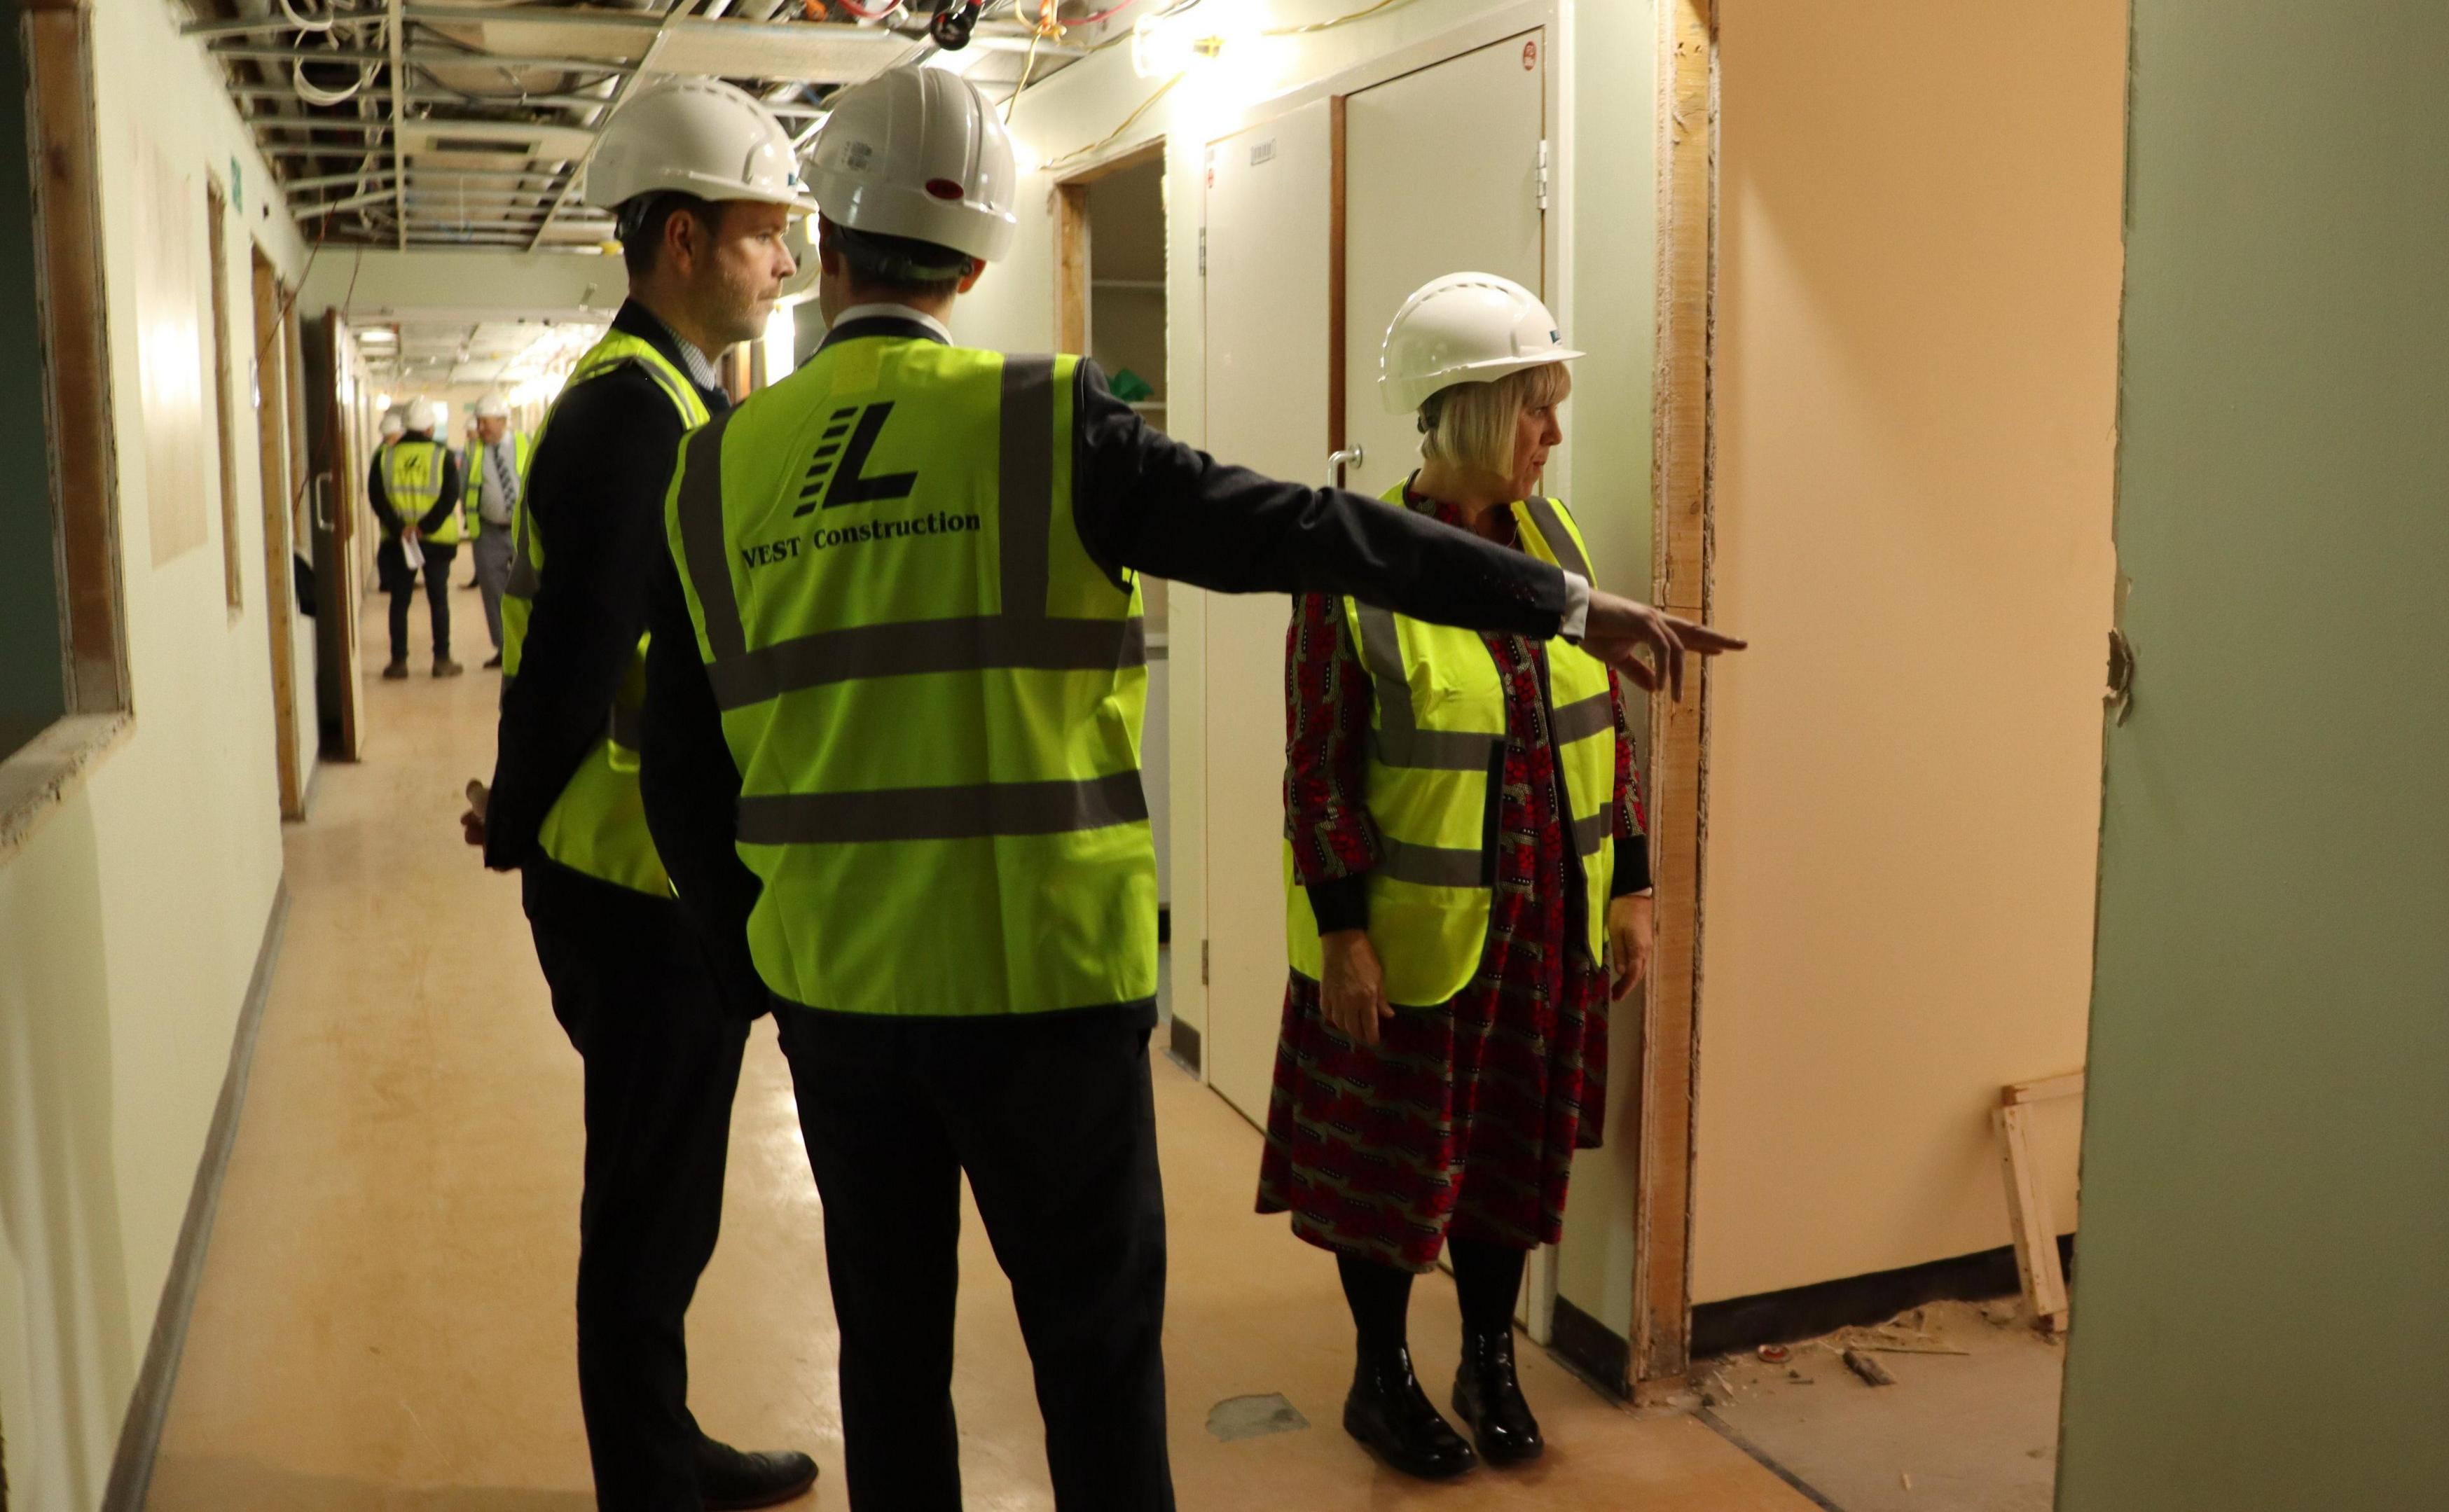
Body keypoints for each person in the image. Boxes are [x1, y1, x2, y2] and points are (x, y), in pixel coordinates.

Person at [637, 66, 1741, 1512]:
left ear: (826, 255)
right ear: (979, 259)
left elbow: (675, 764)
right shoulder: (1051, 422)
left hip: (842, 999)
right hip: (1050, 997)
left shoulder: (714, 467)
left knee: (888, 1356)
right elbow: (1318, 533)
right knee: (1095, 1360)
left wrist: (754, 973)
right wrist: (1558, 599)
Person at [462, 77, 819, 1512]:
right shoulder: (633, 419)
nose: (784, 260)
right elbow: (579, 656)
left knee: (664, 1199)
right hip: (629, 877)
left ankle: (662, 1446)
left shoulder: (659, 398)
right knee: (647, 1205)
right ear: (682, 238)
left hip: (635, 865)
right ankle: (649, 1474)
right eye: (762, 233)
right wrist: (523, 820)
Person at [1255, 272, 1649, 1480]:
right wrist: (1343, 934)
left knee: (1508, 1160)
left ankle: (1489, 1352)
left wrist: (1630, 883)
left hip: (1543, 926)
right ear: (1473, 412)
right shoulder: (1355, 564)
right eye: (1539, 409)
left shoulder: (1559, 541)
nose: (1556, 436)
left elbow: (1607, 727)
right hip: (1414, 937)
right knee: (1389, 1171)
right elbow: (1316, 769)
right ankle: (1381, 1374)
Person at [369, 398, 464, 679]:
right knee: (438, 599)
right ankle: (442, 660)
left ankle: (399, 662)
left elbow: (377, 497)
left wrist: (402, 527)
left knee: (400, 601)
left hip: (399, 541)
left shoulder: (384, 457)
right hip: (436, 540)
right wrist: (425, 526)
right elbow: (450, 497)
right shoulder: (443, 456)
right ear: (430, 428)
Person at [466, 391, 530, 668]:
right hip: (488, 532)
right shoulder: (473, 450)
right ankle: (504, 649)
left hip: (522, 529)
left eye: (486, 423)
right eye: (478, 423)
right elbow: (464, 489)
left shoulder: (525, 442)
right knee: (494, 594)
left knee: (526, 589)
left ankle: (530, 647)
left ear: (503, 420)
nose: (480, 429)